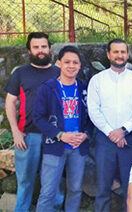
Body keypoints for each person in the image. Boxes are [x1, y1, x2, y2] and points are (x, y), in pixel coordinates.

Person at [87, 39, 132, 211]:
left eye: (123, 52)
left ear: (127, 54)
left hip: (130, 140)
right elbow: (93, 110)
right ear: (108, 55)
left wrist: (123, 130)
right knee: (102, 188)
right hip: (104, 140)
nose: (119, 55)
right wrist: (111, 133)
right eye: (115, 52)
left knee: (131, 189)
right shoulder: (97, 80)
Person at [4, 32, 60, 211]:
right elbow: (10, 102)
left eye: (44, 46)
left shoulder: (60, 72)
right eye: (36, 47)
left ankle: (55, 209)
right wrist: (15, 131)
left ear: (49, 48)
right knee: (25, 181)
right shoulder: (21, 73)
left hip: (55, 137)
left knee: (54, 182)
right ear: (29, 50)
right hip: (28, 137)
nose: (40, 51)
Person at [33, 46, 90, 211]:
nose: (71, 66)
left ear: (80, 65)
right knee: (48, 191)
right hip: (55, 145)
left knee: (75, 189)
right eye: (67, 62)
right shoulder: (48, 88)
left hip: (78, 147)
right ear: (58, 63)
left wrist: (86, 134)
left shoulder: (84, 87)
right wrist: (59, 135)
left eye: (75, 62)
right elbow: (38, 118)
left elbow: (92, 116)